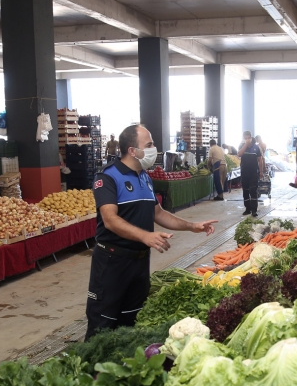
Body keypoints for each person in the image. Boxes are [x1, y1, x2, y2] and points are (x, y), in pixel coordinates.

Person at [85, 123, 217, 340]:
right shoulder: (108, 177)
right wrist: (146, 236)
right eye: (149, 144)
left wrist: (192, 226)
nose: (154, 148)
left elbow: (158, 213)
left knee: (131, 321)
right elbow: (110, 220)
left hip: (139, 263)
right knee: (102, 324)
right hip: (112, 263)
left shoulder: (145, 177)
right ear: (132, 151)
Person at [238, 131, 263, 216]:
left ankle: (254, 210)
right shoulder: (242, 146)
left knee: (253, 190)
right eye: (245, 138)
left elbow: (260, 159)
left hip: (253, 173)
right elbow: (239, 154)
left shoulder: (256, 147)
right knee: (245, 191)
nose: (247, 140)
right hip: (244, 172)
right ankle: (247, 209)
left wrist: (261, 171)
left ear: (251, 137)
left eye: (248, 138)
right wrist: (245, 144)